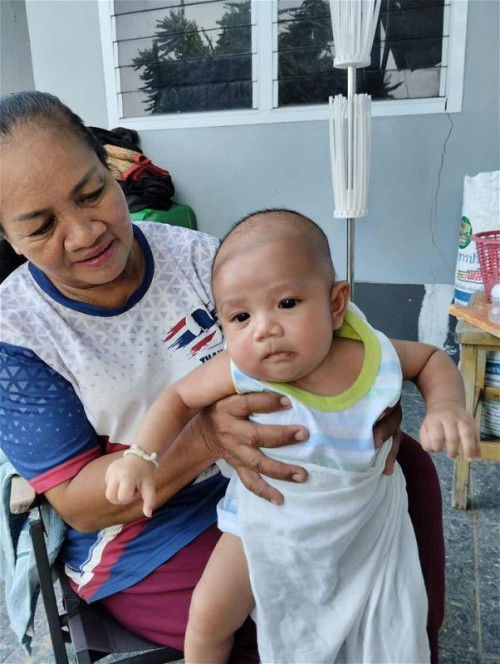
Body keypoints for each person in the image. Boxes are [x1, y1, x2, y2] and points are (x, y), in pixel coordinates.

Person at [0, 91, 442, 662]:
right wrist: (209, 438)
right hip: (153, 530)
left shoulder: (193, 257)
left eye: (92, 194)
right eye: (41, 227)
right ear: (7, 237)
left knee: (408, 478)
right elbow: (82, 506)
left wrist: (368, 397)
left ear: (113, 171)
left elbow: (325, 333)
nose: (85, 233)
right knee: (278, 603)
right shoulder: (18, 334)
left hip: (281, 470)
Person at [106, 210, 480, 663]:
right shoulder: (240, 370)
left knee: (387, 619)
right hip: (264, 518)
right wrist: (141, 456)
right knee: (208, 615)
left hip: (359, 522)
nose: (264, 328)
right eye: (241, 316)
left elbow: (431, 360)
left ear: (336, 304)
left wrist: (446, 406)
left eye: (286, 303)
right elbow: (179, 398)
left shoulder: (370, 355)